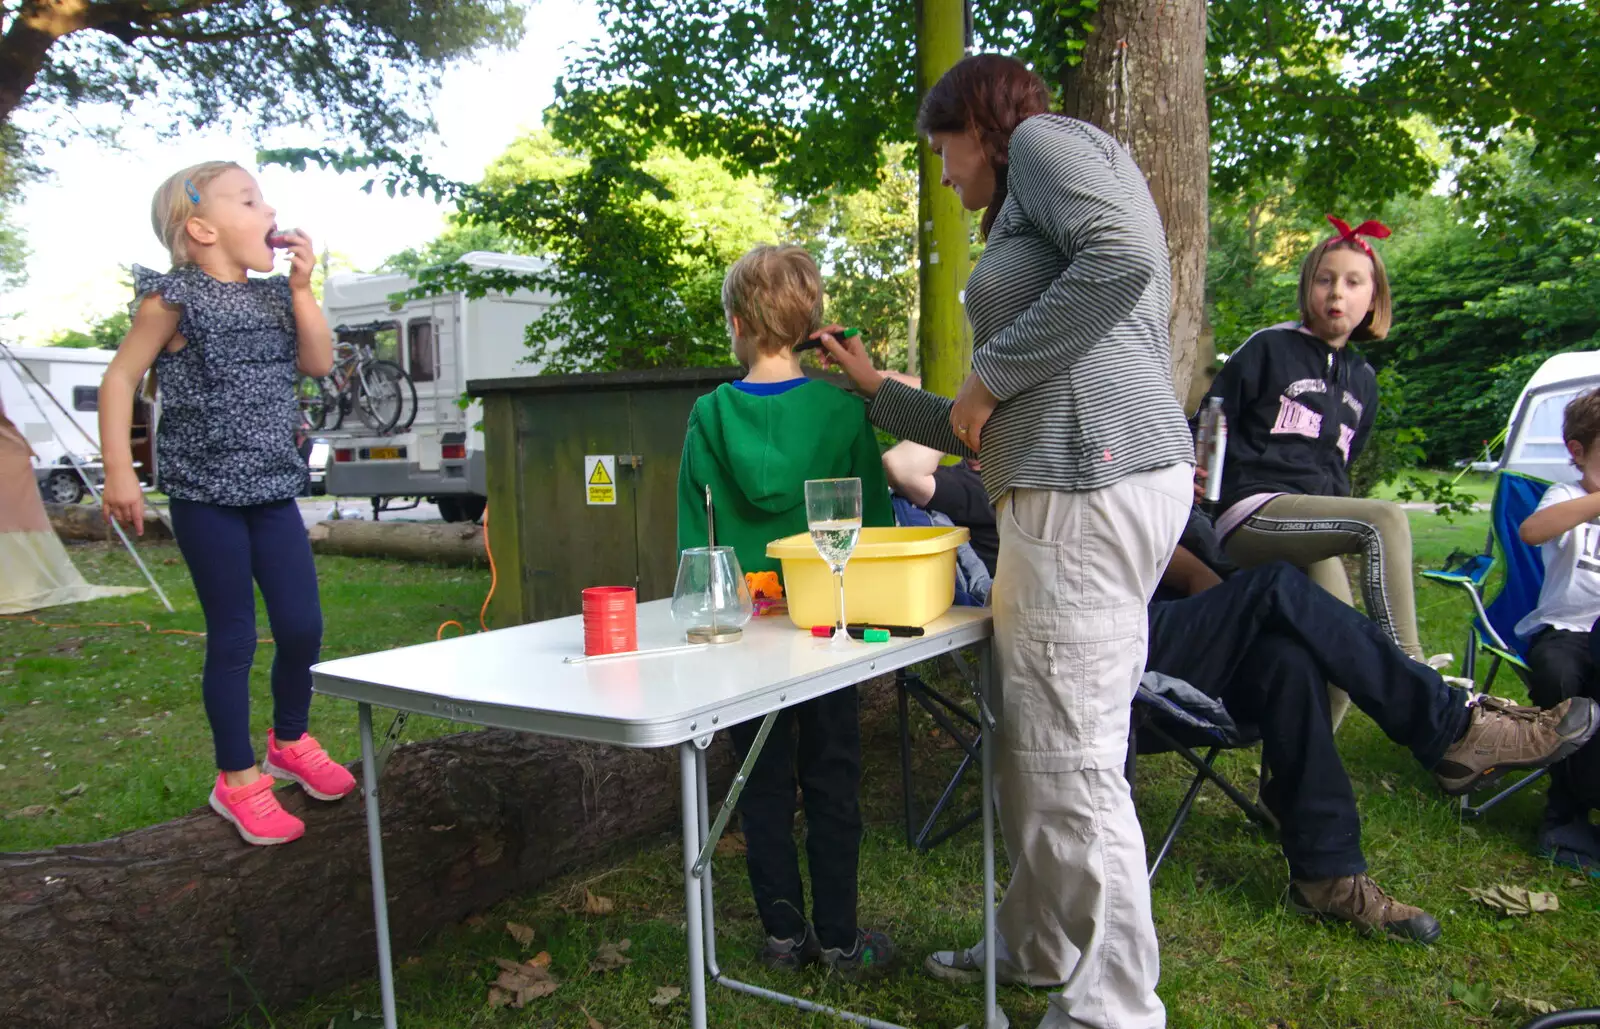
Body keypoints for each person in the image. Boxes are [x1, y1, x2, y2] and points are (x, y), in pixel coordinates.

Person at [820, 54, 1193, 1029]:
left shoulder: (1044, 139)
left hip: (1091, 478)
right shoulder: (1035, 201)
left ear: (977, 124)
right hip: (1061, 477)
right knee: (1029, 734)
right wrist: (878, 392)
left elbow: (1125, 262)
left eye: (940, 149)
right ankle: (1037, 942)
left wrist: (988, 376)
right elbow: (986, 420)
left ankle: (1114, 1005)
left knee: (1068, 748)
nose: (941, 173)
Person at [1148, 519, 1599, 939]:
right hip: (1097, 652)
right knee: (1275, 583)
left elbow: (1181, 566)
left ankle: (1325, 874)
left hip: (1164, 642)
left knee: (1286, 660)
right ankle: (1453, 730)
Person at [97, 161, 354, 846]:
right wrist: (121, 470)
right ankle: (236, 778)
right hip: (205, 494)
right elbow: (121, 376)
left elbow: (320, 362)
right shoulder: (175, 297)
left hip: (272, 489)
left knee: (302, 624)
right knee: (235, 635)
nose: (268, 208)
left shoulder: (277, 298)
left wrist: (304, 288)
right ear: (202, 228)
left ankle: (289, 740)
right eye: (249, 198)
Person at [675, 244, 897, 979]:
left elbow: (694, 539)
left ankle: (780, 933)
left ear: (736, 324)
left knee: (759, 783)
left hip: (743, 631)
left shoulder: (708, 415)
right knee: (833, 776)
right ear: (810, 324)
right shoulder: (840, 411)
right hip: (824, 624)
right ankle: (839, 939)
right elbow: (877, 533)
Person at [1202, 216, 1426, 664]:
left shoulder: (1363, 380)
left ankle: (1312, 731)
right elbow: (1212, 415)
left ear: (1373, 298)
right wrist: (1195, 471)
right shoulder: (1269, 346)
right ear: (1308, 288)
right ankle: (1414, 670)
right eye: (1325, 279)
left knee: (1337, 660)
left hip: (1312, 525)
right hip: (1252, 512)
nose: (1337, 292)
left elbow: (1344, 462)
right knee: (1384, 519)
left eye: (1352, 281)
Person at [1516, 387, 1600, 872]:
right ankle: (1566, 815)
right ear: (1578, 450)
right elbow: (1533, 531)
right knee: (1561, 682)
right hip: (1564, 630)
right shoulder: (1567, 495)